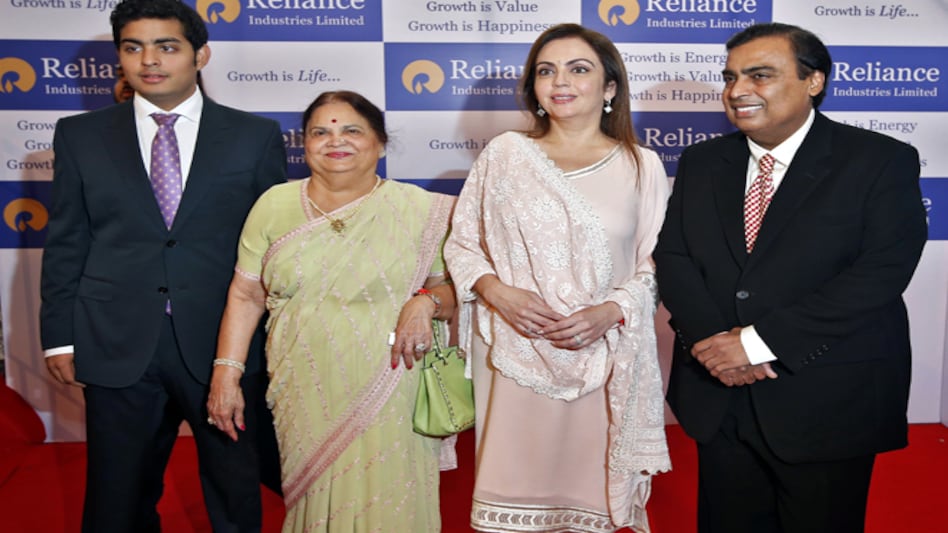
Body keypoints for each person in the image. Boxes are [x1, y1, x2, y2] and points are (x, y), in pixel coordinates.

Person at [654, 22, 928, 533]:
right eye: (731, 76)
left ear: (813, 82)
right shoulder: (702, 161)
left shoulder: (880, 160)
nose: (737, 90)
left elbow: (882, 272)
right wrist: (717, 345)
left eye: (760, 75)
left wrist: (757, 344)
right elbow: (673, 256)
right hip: (720, 398)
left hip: (828, 399)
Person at [39, 0, 287, 531]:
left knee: (235, 489)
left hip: (222, 345)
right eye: (133, 48)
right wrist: (59, 337)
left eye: (166, 46)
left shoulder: (254, 136)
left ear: (201, 54)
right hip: (116, 339)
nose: (149, 60)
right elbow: (66, 241)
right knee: (117, 495)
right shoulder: (79, 136)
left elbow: (275, 249)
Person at [444, 23, 671, 533]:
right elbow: (462, 243)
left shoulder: (642, 165)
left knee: (590, 509)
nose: (560, 81)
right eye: (546, 70)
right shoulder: (505, 155)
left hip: (604, 356)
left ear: (610, 87)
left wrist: (608, 312)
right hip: (514, 354)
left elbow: (656, 263)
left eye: (579, 68)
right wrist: (497, 292)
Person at [206, 90, 457, 532]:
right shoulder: (274, 205)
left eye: (351, 130)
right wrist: (226, 374)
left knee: (392, 502)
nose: (334, 141)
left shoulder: (423, 210)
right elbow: (246, 297)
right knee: (314, 499)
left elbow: (452, 289)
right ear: (304, 144)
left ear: (380, 142)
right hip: (303, 388)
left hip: (394, 383)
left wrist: (426, 302)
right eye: (320, 132)